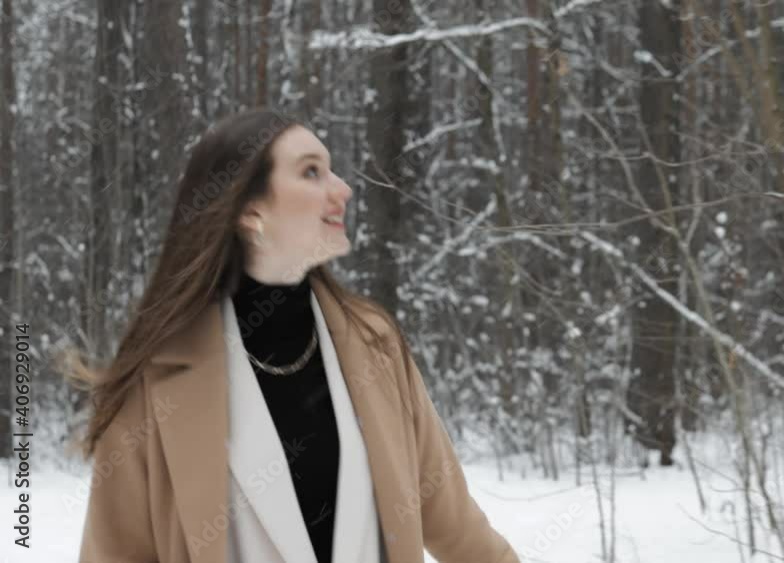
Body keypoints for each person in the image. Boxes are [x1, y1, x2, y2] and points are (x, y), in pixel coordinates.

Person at [67, 108, 520, 563]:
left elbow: (459, 531)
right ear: (250, 211)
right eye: (311, 172)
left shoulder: (375, 344)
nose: (342, 189)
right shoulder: (155, 379)